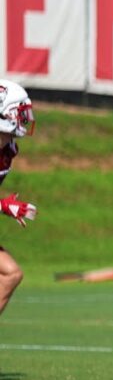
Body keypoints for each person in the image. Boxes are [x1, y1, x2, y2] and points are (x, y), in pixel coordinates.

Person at [0, 80, 36, 316]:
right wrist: (3, 205)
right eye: (19, 111)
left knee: (11, 273)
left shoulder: (7, 150)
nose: (24, 118)